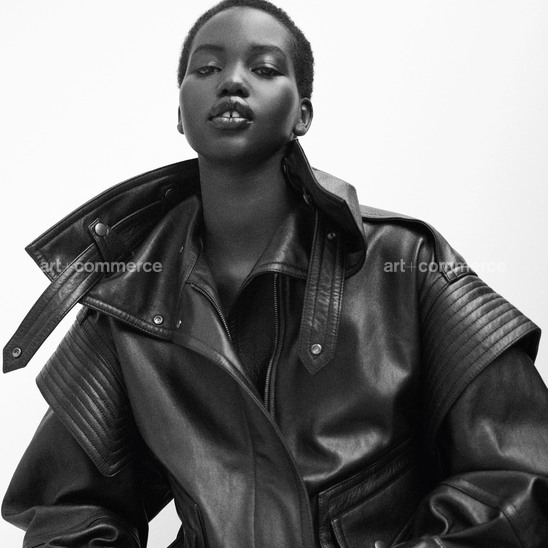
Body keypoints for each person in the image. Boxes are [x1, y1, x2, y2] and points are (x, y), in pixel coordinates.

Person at [3, 0, 548, 546]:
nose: (232, 82)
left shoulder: (404, 262)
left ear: (302, 115)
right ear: (180, 113)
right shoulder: (129, 302)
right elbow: (66, 512)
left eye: (264, 68)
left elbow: (519, 477)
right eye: (207, 68)